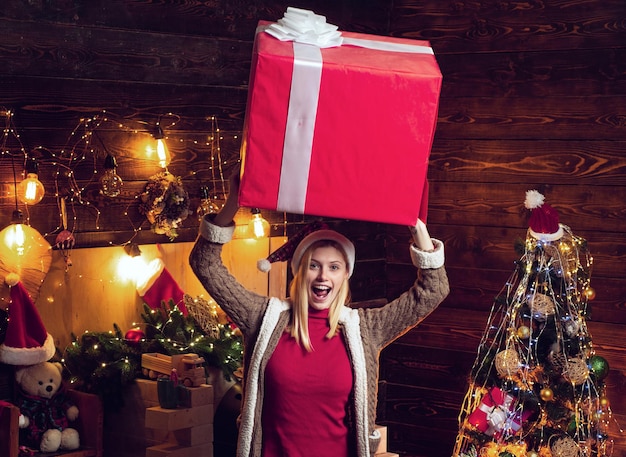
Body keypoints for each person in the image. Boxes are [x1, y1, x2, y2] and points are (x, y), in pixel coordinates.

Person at [189, 171, 450, 457]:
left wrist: (418, 228)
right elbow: (205, 265)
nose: (323, 275)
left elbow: (432, 291)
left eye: (334, 267)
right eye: (314, 265)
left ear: (345, 276)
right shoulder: (264, 318)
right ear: (299, 272)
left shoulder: (365, 328)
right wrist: (232, 205)